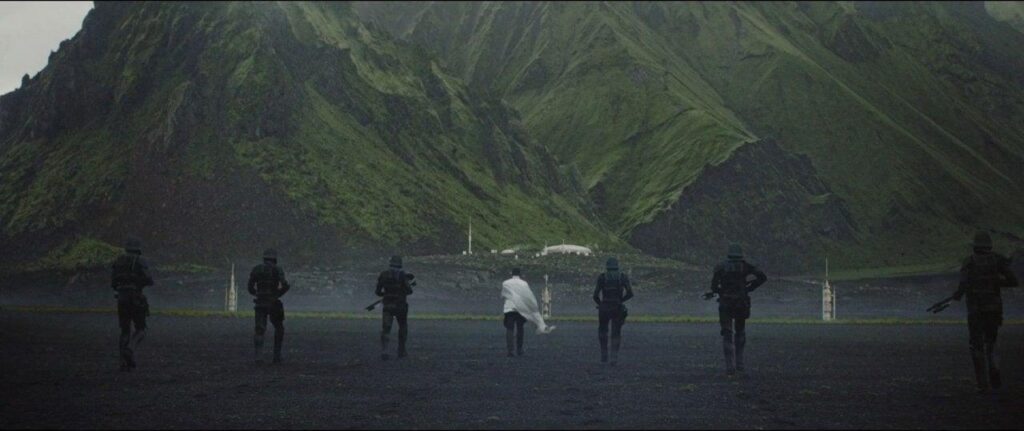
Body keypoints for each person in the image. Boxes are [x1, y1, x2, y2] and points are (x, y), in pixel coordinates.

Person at [950, 231, 1018, 393]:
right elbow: (1013, 281)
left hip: (975, 311)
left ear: (975, 246)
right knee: (991, 343)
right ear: (989, 246)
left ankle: (982, 384)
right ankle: (994, 371)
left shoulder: (969, 261)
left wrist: (957, 295)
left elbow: (962, 286)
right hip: (994, 309)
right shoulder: (998, 260)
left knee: (976, 346)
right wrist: (995, 282)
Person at [705, 243, 767, 375]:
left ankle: (730, 367)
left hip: (726, 303)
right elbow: (762, 277)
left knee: (727, 334)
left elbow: (714, 287)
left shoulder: (720, 267)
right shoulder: (746, 266)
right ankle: (740, 364)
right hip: (741, 302)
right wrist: (749, 288)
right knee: (740, 332)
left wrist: (721, 291)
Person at [111, 237, 154, 371]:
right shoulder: (140, 260)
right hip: (135, 296)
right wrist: (137, 282)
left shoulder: (118, 261)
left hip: (121, 297)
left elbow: (113, 283)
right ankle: (130, 349)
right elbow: (149, 279)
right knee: (141, 329)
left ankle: (123, 362)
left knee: (125, 330)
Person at [247, 248, 291, 364]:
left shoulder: (257, 269)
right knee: (279, 328)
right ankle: (276, 356)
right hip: (273, 302)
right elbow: (285, 285)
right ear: (274, 259)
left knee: (259, 330)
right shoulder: (277, 269)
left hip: (260, 303)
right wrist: (278, 294)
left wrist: (258, 293)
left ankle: (258, 357)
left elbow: (250, 288)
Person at [501, 268, 555, 357]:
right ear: (520, 274)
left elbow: (504, 294)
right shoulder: (524, 283)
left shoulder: (505, 283)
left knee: (510, 329)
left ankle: (510, 351)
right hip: (521, 309)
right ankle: (519, 350)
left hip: (509, 308)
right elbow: (528, 296)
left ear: (511, 273)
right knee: (520, 328)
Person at [593, 257, 633, 365]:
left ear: (607, 266)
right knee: (616, 333)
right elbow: (630, 293)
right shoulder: (622, 277)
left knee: (603, 332)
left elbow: (595, 296)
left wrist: (601, 304)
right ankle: (614, 357)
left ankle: (604, 356)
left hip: (604, 307)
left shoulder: (602, 277)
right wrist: (621, 300)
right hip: (617, 307)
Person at [376, 255, 414, 360]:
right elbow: (409, 291)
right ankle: (401, 350)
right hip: (401, 305)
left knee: (386, 328)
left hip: (388, 305)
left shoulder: (383, 274)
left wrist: (386, 294)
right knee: (402, 327)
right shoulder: (403, 275)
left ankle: (385, 350)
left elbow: (378, 292)